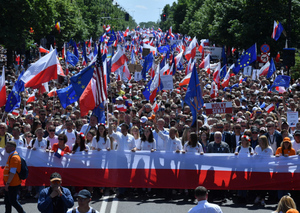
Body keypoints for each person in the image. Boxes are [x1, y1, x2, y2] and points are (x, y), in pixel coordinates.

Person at [3, 141, 26, 213]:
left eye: (8, 146)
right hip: (11, 183)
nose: (5, 148)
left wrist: (8, 183)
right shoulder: (12, 155)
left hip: (12, 183)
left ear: (13, 148)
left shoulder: (14, 157)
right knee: (7, 201)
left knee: (13, 201)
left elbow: (12, 172)